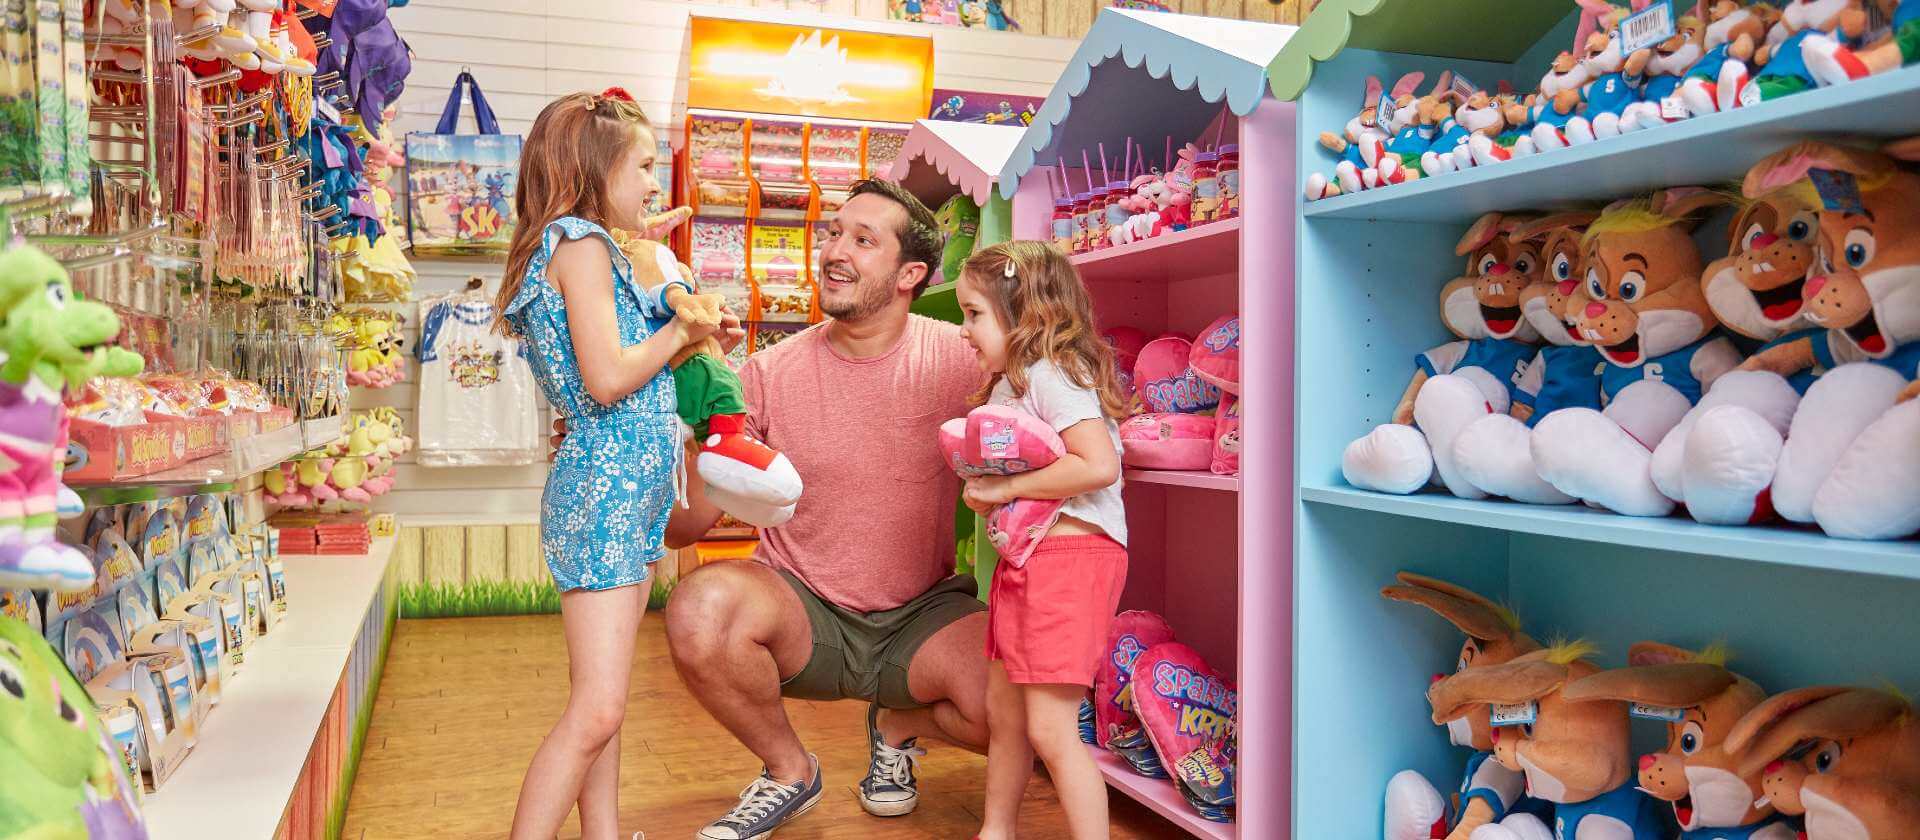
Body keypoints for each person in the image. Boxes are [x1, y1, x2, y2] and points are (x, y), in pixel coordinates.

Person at [654, 179, 995, 840]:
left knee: (1021, 708)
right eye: (834, 232)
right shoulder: (767, 373)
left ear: (910, 275)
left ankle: (898, 726)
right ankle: (789, 770)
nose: (834, 250)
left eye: (863, 241)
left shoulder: (961, 360)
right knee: (699, 608)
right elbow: (680, 530)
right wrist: (695, 421)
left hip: (922, 615)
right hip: (802, 607)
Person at [493, 89, 740, 840]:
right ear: (597, 167)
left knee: (603, 701)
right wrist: (682, 332)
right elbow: (605, 377)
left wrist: (685, 329)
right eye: (643, 166)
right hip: (603, 495)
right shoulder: (580, 243)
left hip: (622, 492)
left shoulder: (578, 247)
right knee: (596, 708)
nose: (654, 186)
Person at [954, 241, 1131, 840]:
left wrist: (1005, 492)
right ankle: (995, 831)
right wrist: (989, 488)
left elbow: (1098, 464)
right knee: (1005, 717)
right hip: (1030, 560)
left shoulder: (1055, 377)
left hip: (1069, 560)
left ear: (1024, 312)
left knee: (1052, 729)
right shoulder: (1012, 385)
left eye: (974, 314)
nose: (963, 330)